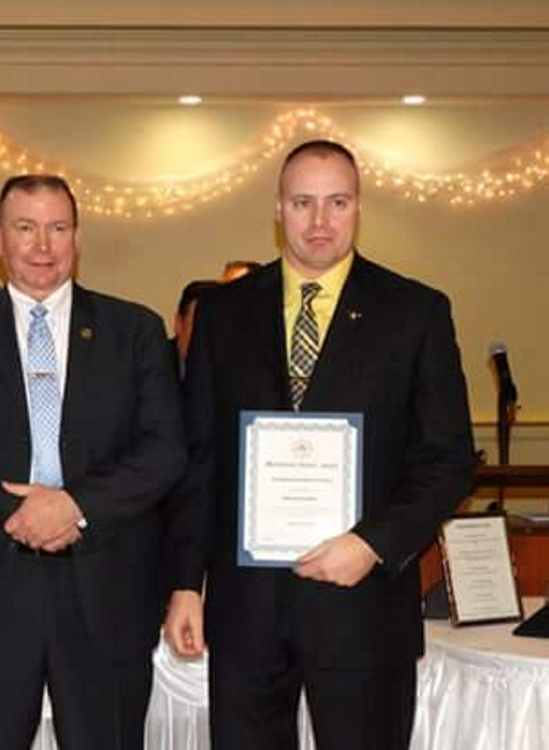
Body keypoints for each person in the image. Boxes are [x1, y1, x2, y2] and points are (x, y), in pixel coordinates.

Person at [164, 140, 475, 750]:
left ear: (359, 208)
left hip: (364, 607)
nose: (320, 221)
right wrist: (183, 583)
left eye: (337, 202)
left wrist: (372, 544)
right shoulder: (224, 314)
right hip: (247, 610)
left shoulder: (415, 311)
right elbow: (198, 460)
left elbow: (448, 460)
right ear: (278, 209)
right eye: (303, 202)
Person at [0, 174, 186, 749]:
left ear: (77, 238)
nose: (42, 246)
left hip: (106, 591)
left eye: (58, 228)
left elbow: (164, 450)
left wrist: (73, 506)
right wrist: (14, 512)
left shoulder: (134, 331)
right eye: (25, 228)